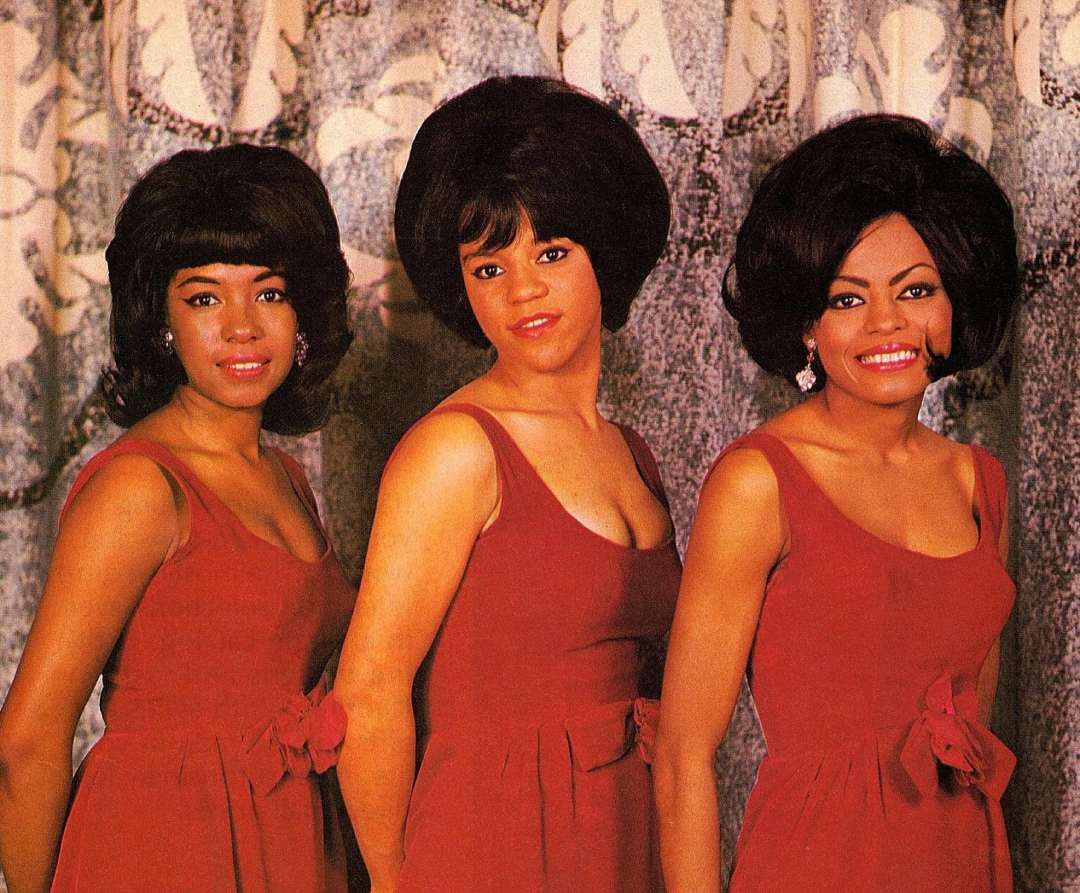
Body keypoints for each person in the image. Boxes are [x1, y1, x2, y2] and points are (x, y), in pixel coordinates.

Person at [653, 114, 1019, 892]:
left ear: (955, 303)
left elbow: (971, 720)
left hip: (962, 858)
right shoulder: (758, 482)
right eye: (848, 300)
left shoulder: (978, 481)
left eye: (916, 290)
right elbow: (685, 752)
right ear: (807, 329)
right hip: (817, 861)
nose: (887, 324)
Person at [333, 75, 679, 893]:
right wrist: (393, 882)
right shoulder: (457, 450)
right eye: (490, 266)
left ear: (606, 249)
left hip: (625, 835)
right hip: (490, 844)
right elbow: (369, 691)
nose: (522, 289)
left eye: (550, 253)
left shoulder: (632, 453)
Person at [0, 144, 354, 892]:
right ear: (161, 320)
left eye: (269, 293)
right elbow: (27, 739)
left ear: (305, 314)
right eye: (203, 298)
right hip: (160, 845)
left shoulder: (285, 475)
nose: (240, 328)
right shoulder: (140, 487)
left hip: (286, 834)